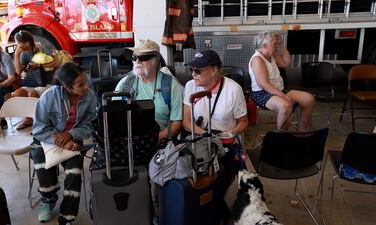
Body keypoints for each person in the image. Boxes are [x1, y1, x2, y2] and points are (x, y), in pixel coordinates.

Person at [183, 49, 249, 221]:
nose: (193, 74)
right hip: (200, 139)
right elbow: (187, 122)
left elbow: (244, 121)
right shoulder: (190, 86)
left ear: (214, 70)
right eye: (192, 70)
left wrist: (233, 131)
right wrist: (207, 135)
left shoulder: (233, 90)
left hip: (225, 143)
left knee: (219, 181)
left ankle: (216, 213)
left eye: (198, 71)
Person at [31, 62, 96, 225]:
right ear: (67, 86)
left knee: (75, 170)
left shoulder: (90, 96)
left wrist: (69, 135)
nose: (86, 87)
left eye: (86, 81)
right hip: (46, 138)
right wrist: (58, 140)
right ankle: (48, 199)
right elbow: (39, 128)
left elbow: (90, 124)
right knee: (39, 158)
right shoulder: (49, 97)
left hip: (72, 138)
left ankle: (67, 215)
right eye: (81, 84)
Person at [115, 39, 184, 142]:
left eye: (143, 57)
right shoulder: (124, 84)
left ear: (156, 61)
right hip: (128, 142)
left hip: (159, 142)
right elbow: (114, 117)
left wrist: (156, 139)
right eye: (134, 57)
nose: (137, 61)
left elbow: (176, 123)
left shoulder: (171, 86)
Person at [249, 31, 315, 131]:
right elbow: (265, 85)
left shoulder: (271, 54)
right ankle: (281, 138)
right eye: (274, 44)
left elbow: (286, 63)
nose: (276, 46)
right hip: (262, 93)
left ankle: (303, 131)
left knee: (309, 99)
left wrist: (281, 45)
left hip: (278, 91)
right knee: (286, 105)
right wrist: (284, 96)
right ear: (265, 45)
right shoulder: (257, 59)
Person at [13, 30, 58, 130]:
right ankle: (29, 119)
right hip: (32, 82)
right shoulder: (23, 53)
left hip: (47, 82)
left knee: (32, 94)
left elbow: (56, 63)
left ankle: (42, 122)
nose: (17, 46)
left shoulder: (42, 48)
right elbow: (19, 71)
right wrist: (16, 55)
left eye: (18, 43)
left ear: (27, 43)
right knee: (18, 93)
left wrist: (40, 65)